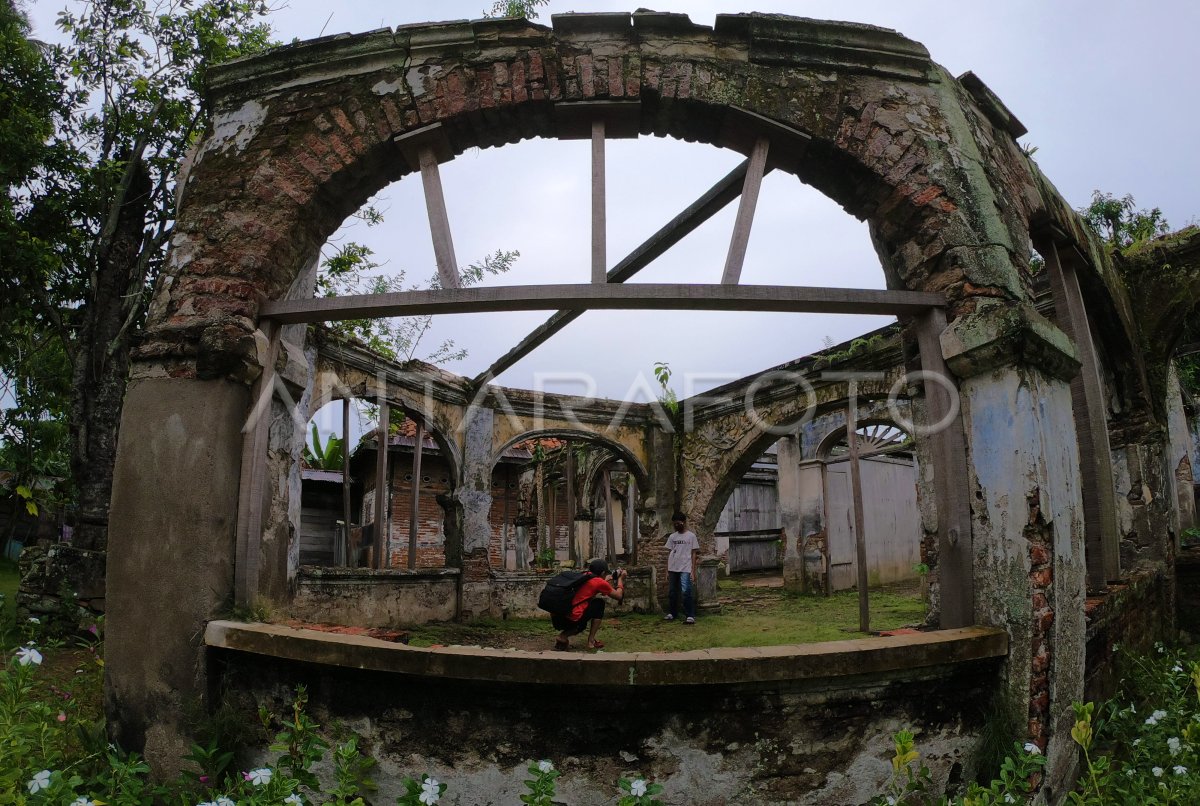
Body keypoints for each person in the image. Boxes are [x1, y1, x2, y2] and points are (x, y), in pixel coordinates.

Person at [553, 558, 626, 651]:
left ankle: (563, 638)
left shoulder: (584, 575)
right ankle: (570, 638)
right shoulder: (599, 582)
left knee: (592, 605)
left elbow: (591, 587)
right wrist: (621, 579)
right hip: (572, 619)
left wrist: (606, 580)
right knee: (599, 604)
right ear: (603, 573)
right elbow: (619, 596)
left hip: (559, 617)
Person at [664, 512, 699, 624]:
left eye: (678, 523)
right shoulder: (672, 537)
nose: (676, 526)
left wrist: (693, 571)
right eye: (674, 524)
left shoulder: (691, 536)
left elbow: (694, 554)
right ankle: (672, 613)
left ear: (684, 522)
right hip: (673, 567)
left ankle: (690, 615)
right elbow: (669, 553)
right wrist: (667, 570)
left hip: (685, 567)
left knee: (686, 591)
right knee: (672, 592)